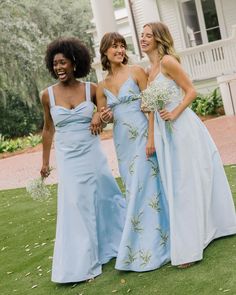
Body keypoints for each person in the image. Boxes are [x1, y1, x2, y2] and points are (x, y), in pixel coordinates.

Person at [140, 22, 236, 268]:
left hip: (182, 128)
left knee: (186, 182)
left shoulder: (168, 62)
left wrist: (174, 113)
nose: (143, 39)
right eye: (141, 35)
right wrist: (151, 136)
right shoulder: (148, 70)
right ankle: (197, 232)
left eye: (148, 35)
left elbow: (191, 91)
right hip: (164, 134)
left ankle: (191, 245)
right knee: (175, 183)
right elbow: (150, 109)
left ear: (159, 39)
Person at [40, 36, 126, 283]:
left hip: (92, 154)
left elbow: (106, 113)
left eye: (63, 63)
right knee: (77, 204)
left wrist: (99, 115)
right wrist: (45, 163)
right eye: (55, 64)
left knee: (105, 196)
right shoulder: (47, 95)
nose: (59, 68)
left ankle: (120, 243)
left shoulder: (92, 89)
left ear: (75, 63)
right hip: (68, 158)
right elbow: (48, 129)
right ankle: (85, 262)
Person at [96, 32, 170, 272]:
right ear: (105, 51)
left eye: (121, 46)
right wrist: (104, 117)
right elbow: (103, 117)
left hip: (142, 134)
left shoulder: (137, 71)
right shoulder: (102, 86)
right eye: (114, 47)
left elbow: (149, 107)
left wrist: (151, 137)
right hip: (122, 142)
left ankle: (162, 240)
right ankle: (140, 241)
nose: (119, 50)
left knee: (148, 186)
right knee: (132, 188)